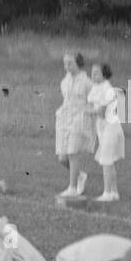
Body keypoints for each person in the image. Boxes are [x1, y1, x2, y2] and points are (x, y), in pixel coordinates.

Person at [55, 52, 96, 198]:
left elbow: (94, 102)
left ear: (78, 63)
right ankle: (80, 176)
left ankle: (72, 188)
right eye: (65, 63)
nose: (66, 66)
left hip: (81, 120)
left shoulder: (87, 82)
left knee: (73, 153)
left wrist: (89, 113)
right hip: (66, 119)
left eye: (70, 63)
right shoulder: (64, 81)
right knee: (62, 158)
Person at [88, 62, 125, 202]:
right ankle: (114, 193)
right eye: (92, 72)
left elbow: (101, 112)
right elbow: (92, 105)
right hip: (103, 129)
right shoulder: (96, 87)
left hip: (111, 128)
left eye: (96, 72)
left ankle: (107, 193)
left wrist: (87, 112)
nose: (93, 75)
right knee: (109, 162)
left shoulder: (107, 88)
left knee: (106, 161)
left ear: (104, 74)